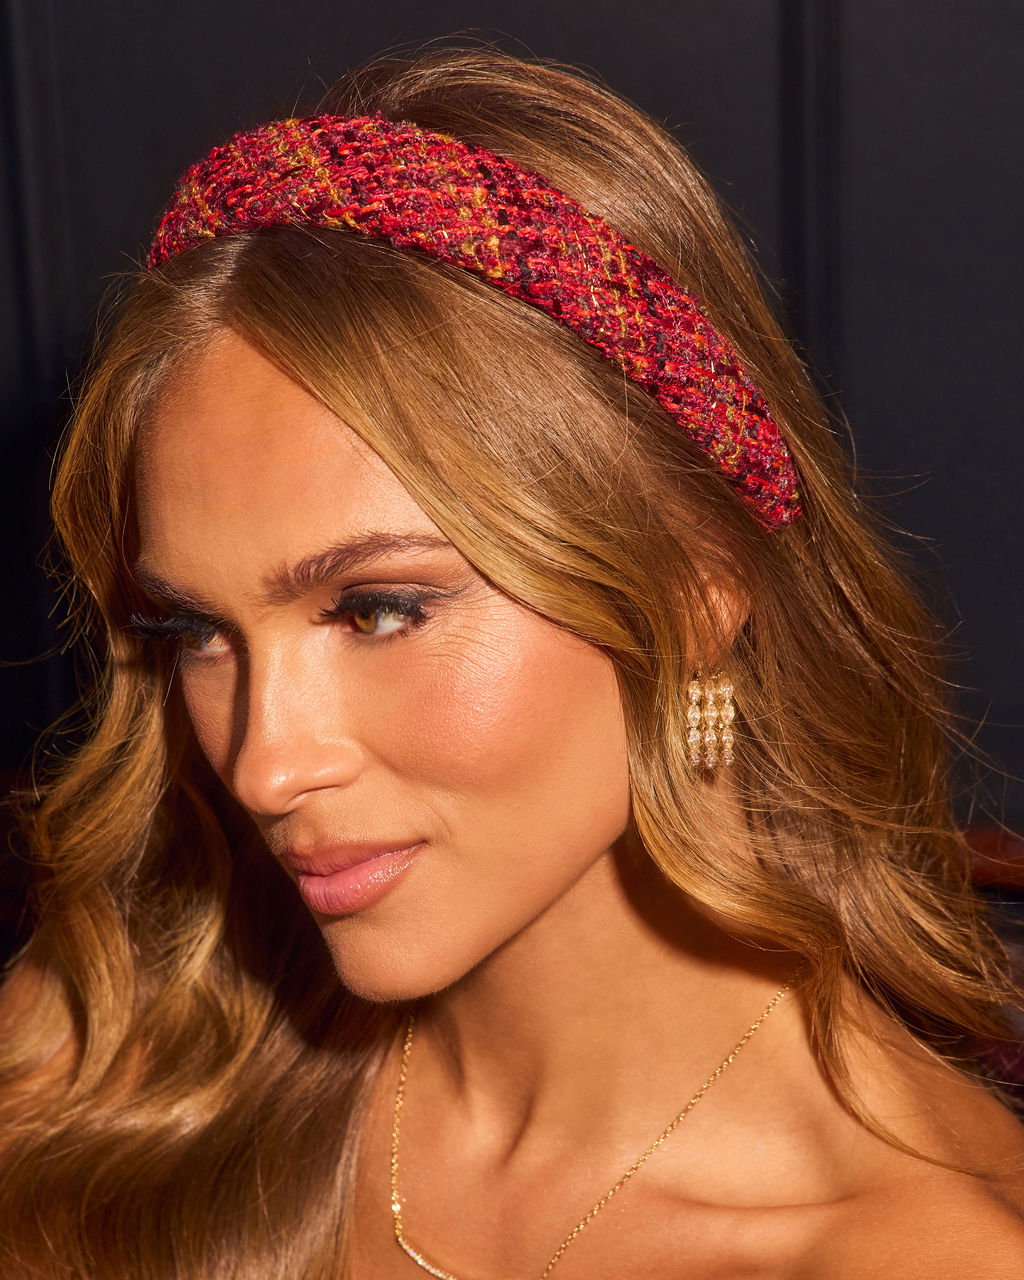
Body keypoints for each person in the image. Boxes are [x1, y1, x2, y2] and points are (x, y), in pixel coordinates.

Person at [1, 44, 1022, 1279]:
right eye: (196, 631)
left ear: (698, 588)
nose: (264, 765)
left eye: (378, 609)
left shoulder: (922, 1251)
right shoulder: (110, 1054)